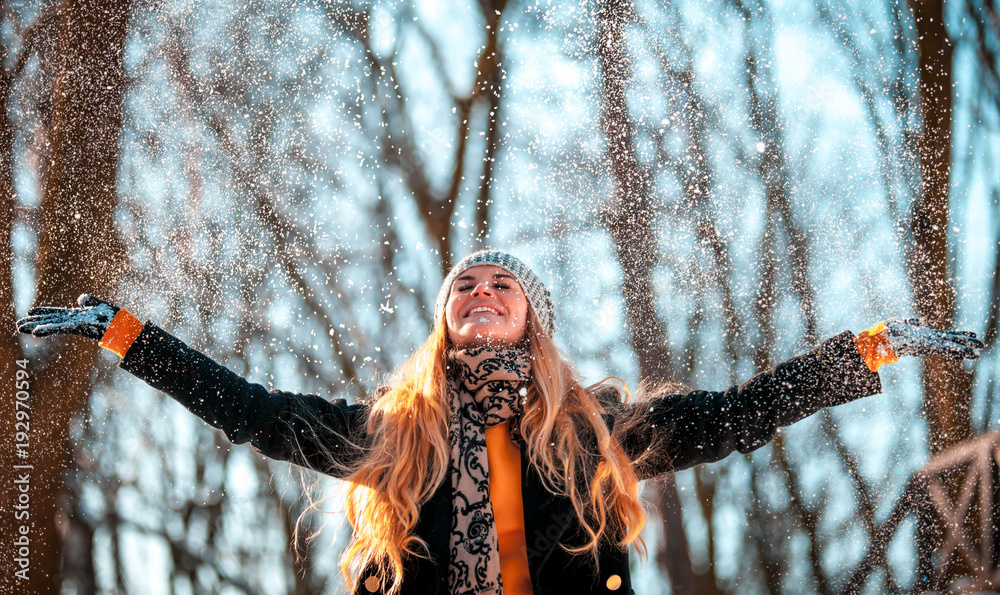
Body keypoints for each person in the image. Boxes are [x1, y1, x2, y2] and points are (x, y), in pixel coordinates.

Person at [16, 249, 985, 595]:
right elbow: (252, 413)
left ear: (533, 317)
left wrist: (864, 349)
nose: (481, 294)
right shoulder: (396, 435)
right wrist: (127, 335)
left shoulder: (592, 434)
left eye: (501, 285)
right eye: (464, 287)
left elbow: (741, 411)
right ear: (446, 319)